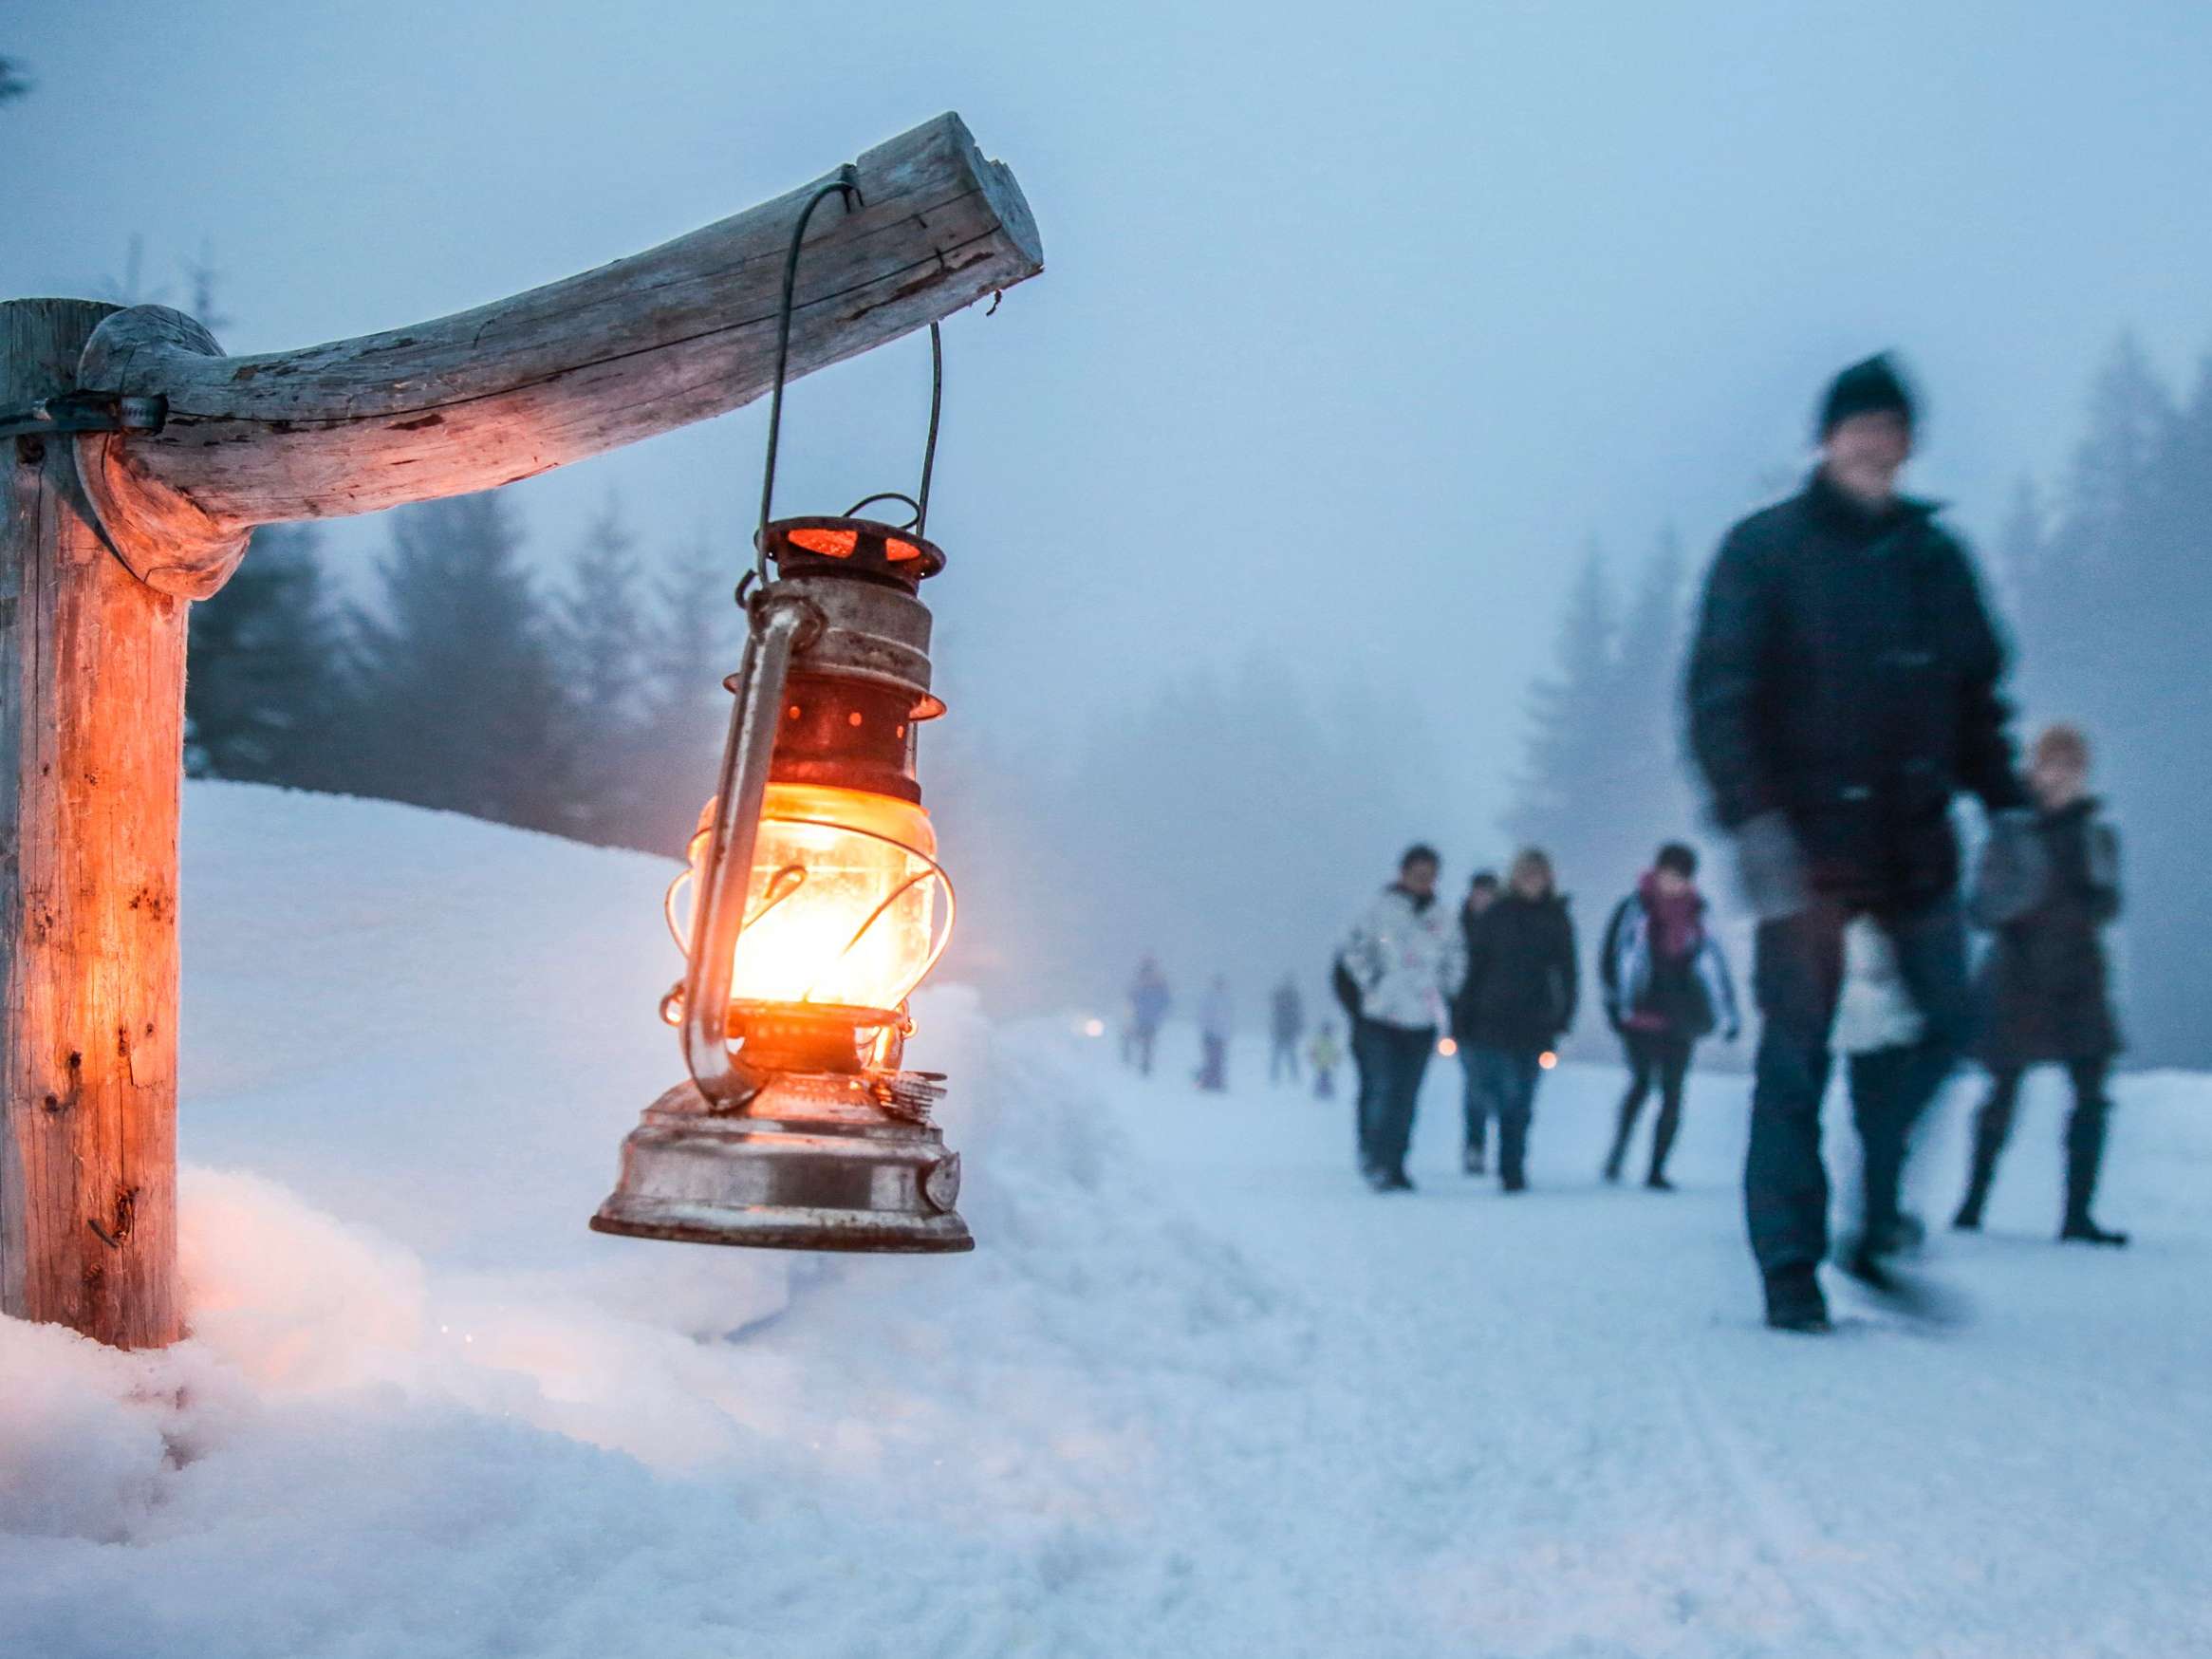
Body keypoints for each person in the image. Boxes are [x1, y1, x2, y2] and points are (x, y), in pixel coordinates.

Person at [1686, 352, 2028, 1333]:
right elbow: (1719, 697)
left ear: (1908, 443)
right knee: (1797, 1062)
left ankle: (1875, 1225)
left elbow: (1977, 704)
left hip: (1916, 852)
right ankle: (1790, 1266)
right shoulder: (1765, 551)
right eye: (1858, 426)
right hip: (1807, 861)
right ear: (1826, 439)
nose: (1875, 442)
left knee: (1945, 1026)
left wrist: (2006, 808)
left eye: (1892, 427)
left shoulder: (1938, 560)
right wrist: (1753, 820)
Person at [1954, 724, 2128, 1245]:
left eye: (2073, 767)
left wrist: (2093, 896)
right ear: (2036, 768)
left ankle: (2078, 1216)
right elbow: (1982, 908)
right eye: (2054, 765)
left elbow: (2110, 904)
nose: (2063, 777)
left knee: (2092, 1095)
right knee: (2002, 1094)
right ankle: (1972, 1206)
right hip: (2017, 977)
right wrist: (2023, 898)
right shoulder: (2012, 830)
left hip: (2080, 977)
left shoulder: (2097, 832)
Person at [1599, 843, 1740, 1190]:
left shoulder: (1699, 914)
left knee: (1674, 1093)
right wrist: (1616, 1005)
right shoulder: (1634, 909)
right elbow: (1612, 958)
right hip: (1641, 1015)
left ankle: (1656, 1168)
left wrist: (1729, 1013)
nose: (1673, 882)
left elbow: (1716, 964)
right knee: (1643, 1082)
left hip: (1683, 1017)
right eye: (1669, 874)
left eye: (1681, 877)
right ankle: (1619, 1151)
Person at [1338, 845, 1466, 1191]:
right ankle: (1374, 1157)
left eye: (1430, 875)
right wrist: (1372, 985)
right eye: (1418, 873)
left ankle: (1396, 1162)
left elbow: (1456, 958)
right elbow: (1352, 952)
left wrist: (1445, 989)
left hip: (1421, 1022)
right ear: (1403, 872)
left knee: (1407, 1096)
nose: (1424, 881)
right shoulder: (1379, 910)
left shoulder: (1443, 917)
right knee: (1380, 1088)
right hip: (1379, 1018)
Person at [1453, 848, 1576, 1193]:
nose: (1533, 882)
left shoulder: (1557, 919)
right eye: (1527, 874)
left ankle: (1513, 1165)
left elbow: (1567, 972)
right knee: (1498, 1090)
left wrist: (1563, 1015)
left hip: (1536, 1023)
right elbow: (1474, 967)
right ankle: (1486, 1148)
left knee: (1523, 1098)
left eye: (1539, 875)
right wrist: (1462, 1015)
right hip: (1491, 1019)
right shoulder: (1497, 916)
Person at [1452, 870, 1503, 1173]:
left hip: (1503, 1021)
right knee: (1475, 1087)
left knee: (1503, 1088)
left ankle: (1504, 1145)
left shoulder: (1509, 928)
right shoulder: (1456, 928)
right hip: (1469, 1022)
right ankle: (1475, 1145)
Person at [1126, 957, 1171, 1077]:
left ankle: (1144, 1065)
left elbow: (1165, 1000)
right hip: (1143, 1017)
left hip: (1147, 1018)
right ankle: (1140, 1062)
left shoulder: (1155, 984)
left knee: (1146, 1042)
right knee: (1143, 1040)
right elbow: (1132, 996)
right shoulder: (1146, 983)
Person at [1268, 975, 1307, 1085]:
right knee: (1282, 1055)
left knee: (1288, 1055)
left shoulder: (1292, 998)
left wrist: (1298, 1027)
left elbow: (1297, 1015)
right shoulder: (1287, 997)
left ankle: (1291, 1075)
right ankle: (1277, 1075)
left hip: (1286, 1030)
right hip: (1282, 1030)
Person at [1196, 974, 1232, 1091]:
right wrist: (1206, 1029)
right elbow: (1203, 1016)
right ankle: (1206, 1082)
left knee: (1219, 1059)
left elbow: (1228, 1019)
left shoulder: (1226, 999)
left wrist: (1227, 1033)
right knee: (1211, 1059)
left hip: (1220, 1035)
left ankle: (1217, 1082)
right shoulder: (1208, 998)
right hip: (1210, 1034)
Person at [1309, 1020, 1343, 1101]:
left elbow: (1334, 1051)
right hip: (1322, 1064)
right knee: (1323, 1079)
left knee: (1324, 1079)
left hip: (1326, 1064)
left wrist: (1336, 1058)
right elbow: (1314, 1050)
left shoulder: (1329, 1040)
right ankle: (1322, 1093)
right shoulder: (1321, 1040)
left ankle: (1324, 1093)